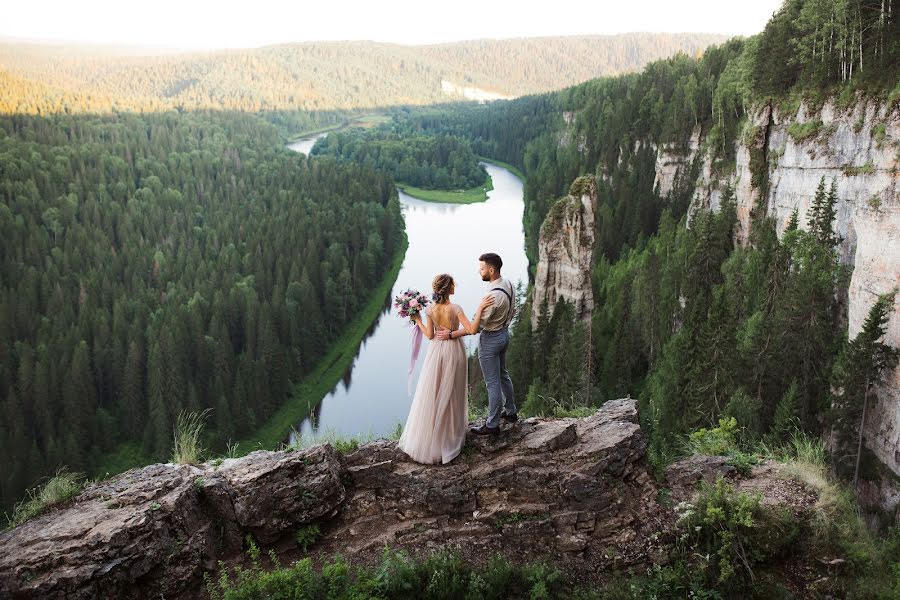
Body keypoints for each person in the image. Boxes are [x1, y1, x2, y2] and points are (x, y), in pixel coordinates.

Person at [398, 274, 494, 464]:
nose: (455, 286)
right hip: (452, 351)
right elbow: (471, 329)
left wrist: (417, 319)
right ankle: (449, 439)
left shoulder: (431, 310)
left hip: (435, 353)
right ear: (447, 288)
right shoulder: (455, 308)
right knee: (452, 393)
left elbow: (430, 335)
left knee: (434, 392)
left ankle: (432, 440)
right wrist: (481, 308)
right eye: (452, 284)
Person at [435, 252, 517, 435]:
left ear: (491, 270)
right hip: (504, 334)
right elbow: (514, 308)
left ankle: (493, 424)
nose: (479, 272)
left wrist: (451, 335)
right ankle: (511, 412)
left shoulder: (492, 297)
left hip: (491, 340)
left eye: (481, 269)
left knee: (492, 382)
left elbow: (475, 328)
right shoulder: (509, 284)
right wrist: (504, 323)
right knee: (503, 374)